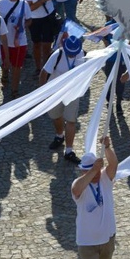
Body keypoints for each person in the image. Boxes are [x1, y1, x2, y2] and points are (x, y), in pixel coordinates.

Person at [71, 138, 117, 259]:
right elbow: (76, 189)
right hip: (88, 244)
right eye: (92, 170)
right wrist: (93, 170)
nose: (97, 174)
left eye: (98, 170)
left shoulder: (105, 178)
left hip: (107, 240)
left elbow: (114, 165)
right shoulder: (80, 184)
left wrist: (108, 147)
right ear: (84, 171)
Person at [41, 36, 86, 164]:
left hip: (72, 93)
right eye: (69, 53)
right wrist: (42, 94)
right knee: (55, 116)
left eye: (74, 53)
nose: (72, 55)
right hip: (56, 92)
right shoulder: (57, 55)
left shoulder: (81, 54)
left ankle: (69, 151)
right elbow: (44, 73)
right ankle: (59, 136)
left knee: (71, 120)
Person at [0, 0, 32, 97]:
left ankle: (14, 89)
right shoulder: (1, 4)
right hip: (5, 41)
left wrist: (22, 27)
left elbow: (29, 20)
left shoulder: (24, 4)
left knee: (17, 67)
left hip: (19, 41)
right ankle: (5, 74)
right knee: (6, 64)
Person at [25, 0, 59, 73]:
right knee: (36, 44)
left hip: (48, 17)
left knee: (47, 44)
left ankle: (47, 67)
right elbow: (30, 7)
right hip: (35, 20)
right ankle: (38, 67)